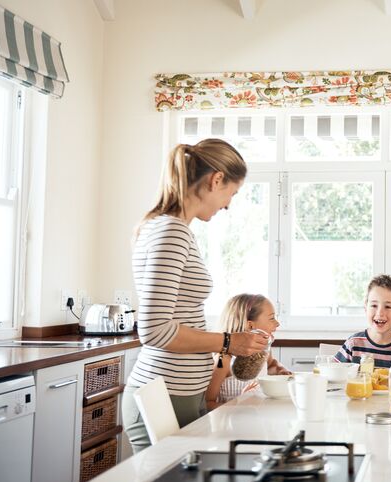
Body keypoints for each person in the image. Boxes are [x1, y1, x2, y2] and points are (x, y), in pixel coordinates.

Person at [122, 139, 271, 453]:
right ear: (216, 180)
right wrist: (229, 342)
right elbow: (154, 330)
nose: (228, 204)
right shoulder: (171, 231)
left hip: (178, 392)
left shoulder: (169, 229)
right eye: (231, 193)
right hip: (165, 395)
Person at [205, 294, 291, 410]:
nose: (277, 323)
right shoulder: (223, 360)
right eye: (271, 318)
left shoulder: (263, 352)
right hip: (230, 425)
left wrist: (280, 369)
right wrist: (239, 402)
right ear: (250, 325)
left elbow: (271, 366)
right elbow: (207, 404)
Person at [335, 275, 391, 368]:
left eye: (388, 307)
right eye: (374, 306)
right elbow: (334, 375)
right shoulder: (353, 344)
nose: (380, 313)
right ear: (365, 308)